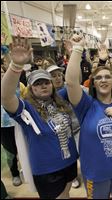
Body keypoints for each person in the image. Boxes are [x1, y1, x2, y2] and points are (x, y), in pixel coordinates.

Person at [65, 33, 112, 199]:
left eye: (108, 76)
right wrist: (77, 49)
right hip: (95, 173)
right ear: (93, 82)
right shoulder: (85, 104)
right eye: (99, 77)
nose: (103, 80)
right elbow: (71, 82)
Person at [1, 37, 79, 199]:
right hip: (47, 170)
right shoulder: (26, 109)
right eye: (37, 84)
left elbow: (71, 81)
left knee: (66, 195)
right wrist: (16, 66)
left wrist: (75, 52)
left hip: (70, 162)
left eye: (46, 82)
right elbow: (6, 97)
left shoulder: (60, 99)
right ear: (31, 88)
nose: (43, 86)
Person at [46, 65, 82, 189]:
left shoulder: (68, 88)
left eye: (59, 75)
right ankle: (73, 177)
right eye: (53, 76)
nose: (57, 78)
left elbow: (77, 83)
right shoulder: (47, 96)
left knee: (82, 152)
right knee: (68, 154)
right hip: (60, 132)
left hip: (77, 128)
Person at [1, 65, 22, 187]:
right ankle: (15, 173)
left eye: (2, 72)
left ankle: (30, 171)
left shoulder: (13, 85)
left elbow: (15, 69)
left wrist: (9, 55)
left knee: (25, 149)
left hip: (18, 123)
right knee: (10, 152)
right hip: (3, 126)